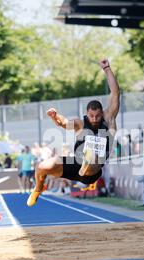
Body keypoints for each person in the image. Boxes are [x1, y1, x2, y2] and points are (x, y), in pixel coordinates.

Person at [27, 58, 120, 206]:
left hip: (93, 170)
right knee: (41, 167)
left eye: (97, 116)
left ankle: (87, 162)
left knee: (92, 160)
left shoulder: (108, 119)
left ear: (102, 113)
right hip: (74, 163)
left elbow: (115, 92)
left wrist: (107, 68)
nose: (95, 119)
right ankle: (38, 188)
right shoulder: (80, 123)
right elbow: (64, 123)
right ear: (87, 114)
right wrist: (55, 116)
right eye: (91, 116)